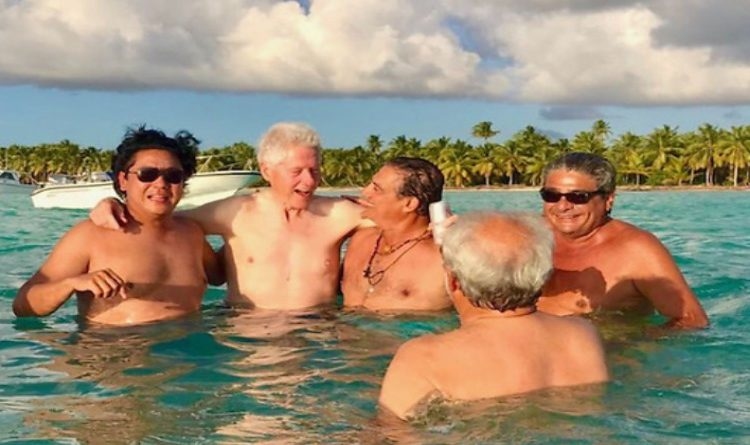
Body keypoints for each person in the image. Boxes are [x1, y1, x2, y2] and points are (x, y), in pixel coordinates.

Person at [90, 122, 367, 310]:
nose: (309, 181)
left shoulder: (338, 214)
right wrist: (113, 203)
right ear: (267, 170)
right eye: (297, 172)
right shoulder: (236, 212)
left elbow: (390, 216)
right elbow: (163, 218)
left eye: (315, 171)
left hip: (317, 336)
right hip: (246, 334)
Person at [378, 211, 609, 420]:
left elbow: (390, 434)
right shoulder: (582, 334)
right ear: (542, 276)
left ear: (453, 281)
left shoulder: (423, 357)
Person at [13, 127, 223, 325]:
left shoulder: (191, 234)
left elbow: (220, 275)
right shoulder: (90, 236)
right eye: (147, 174)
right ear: (123, 180)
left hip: (189, 346)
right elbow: (23, 305)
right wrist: (70, 284)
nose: (161, 184)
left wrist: (241, 223)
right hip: (116, 346)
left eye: (173, 176)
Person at [536, 152, 709, 329]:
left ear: (608, 200)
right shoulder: (529, 236)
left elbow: (693, 321)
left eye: (578, 197)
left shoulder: (636, 250)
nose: (562, 206)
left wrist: (625, 343)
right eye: (551, 195)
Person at [341, 157, 451, 311]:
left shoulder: (444, 259)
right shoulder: (360, 240)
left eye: (376, 189)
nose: (365, 192)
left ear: (409, 204)